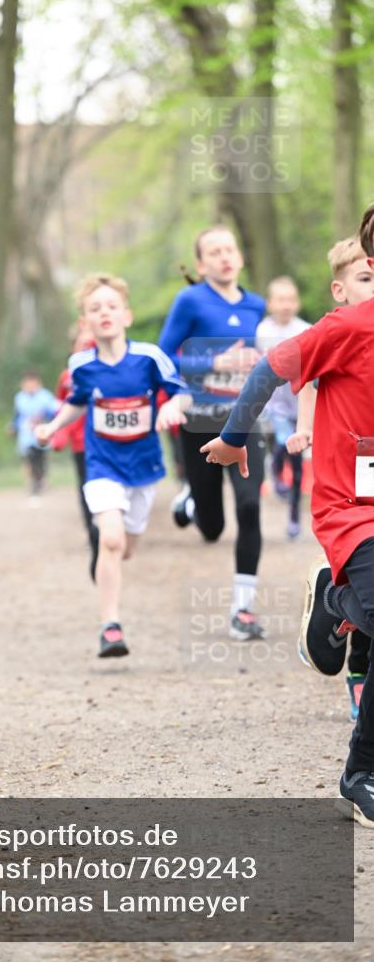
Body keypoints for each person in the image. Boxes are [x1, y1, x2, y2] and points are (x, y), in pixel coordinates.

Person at [200, 232, 374, 828]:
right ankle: (363, 772)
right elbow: (271, 368)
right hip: (354, 504)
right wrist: (232, 436)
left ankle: (337, 602)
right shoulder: (348, 327)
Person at [36, 273, 191, 658]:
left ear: (126, 315)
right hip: (102, 464)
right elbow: (78, 400)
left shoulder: (149, 357)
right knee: (110, 538)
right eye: (94, 308)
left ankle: (112, 559)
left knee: (126, 547)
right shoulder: (81, 364)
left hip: (143, 468)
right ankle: (110, 627)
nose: (104, 313)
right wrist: (54, 426)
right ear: (85, 322)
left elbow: (182, 394)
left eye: (111, 306)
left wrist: (171, 406)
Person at [158, 226, 266, 641]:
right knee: (213, 528)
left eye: (229, 249)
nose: (224, 257)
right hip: (200, 420)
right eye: (214, 252)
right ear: (202, 265)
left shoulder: (257, 305)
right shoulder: (190, 301)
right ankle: (191, 498)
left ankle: (243, 609)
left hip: (244, 419)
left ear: (239, 257)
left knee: (250, 505)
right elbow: (165, 358)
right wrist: (213, 361)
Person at [284, 239, 373, 722]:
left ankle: (341, 615)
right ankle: (357, 672)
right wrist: (303, 430)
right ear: (339, 290)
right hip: (348, 482)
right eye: (365, 280)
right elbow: (306, 383)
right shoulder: (335, 333)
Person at [255, 276, 311, 539]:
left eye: (290, 299)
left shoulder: (306, 330)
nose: (286, 305)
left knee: (298, 462)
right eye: (280, 299)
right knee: (282, 439)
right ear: (270, 303)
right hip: (274, 404)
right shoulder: (262, 331)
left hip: (300, 402)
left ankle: (293, 516)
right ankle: (276, 472)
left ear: (297, 303)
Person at [51, 325, 96, 541]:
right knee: (86, 485)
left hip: (107, 440)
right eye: (82, 345)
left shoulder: (108, 369)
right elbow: (61, 405)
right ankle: (92, 530)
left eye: (90, 344)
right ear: (73, 348)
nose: (86, 348)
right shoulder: (66, 377)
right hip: (80, 442)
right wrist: (59, 435)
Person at [11, 371, 58, 504]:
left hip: (42, 434)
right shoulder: (19, 397)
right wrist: (13, 426)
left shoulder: (46, 396)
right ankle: (33, 484)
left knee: (41, 460)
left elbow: (53, 413)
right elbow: (17, 415)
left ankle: (41, 480)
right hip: (26, 435)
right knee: (29, 459)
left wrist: (46, 420)